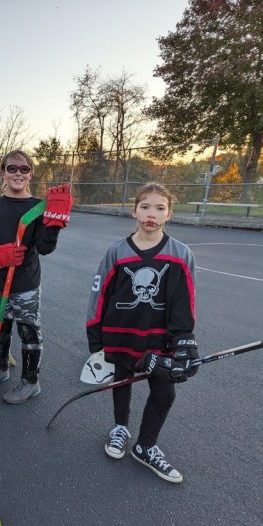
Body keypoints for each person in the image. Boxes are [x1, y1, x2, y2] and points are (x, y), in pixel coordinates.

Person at [86, 182, 198, 483]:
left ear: (169, 214)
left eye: (160, 208)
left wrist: (184, 342)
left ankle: (146, 446)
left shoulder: (180, 255)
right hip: (120, 334)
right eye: (145, 206)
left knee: (164, 391)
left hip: (158, 340)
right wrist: (95, 340)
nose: (152, 213)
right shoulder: (117, 253)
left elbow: (184, 302)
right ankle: (120, 427)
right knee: (122, 381)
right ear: (135, 211)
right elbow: (99, 296)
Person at [0, 150, 73, 404]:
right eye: (12, 168)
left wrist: (53, 228)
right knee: (0, 327)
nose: (18, 173)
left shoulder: (39, 208)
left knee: (28, 330)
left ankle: (30, 381)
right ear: (3, 173)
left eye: (24, 169)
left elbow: (46, 249)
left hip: (25, 283)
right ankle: (1, 368)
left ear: (30, 174)